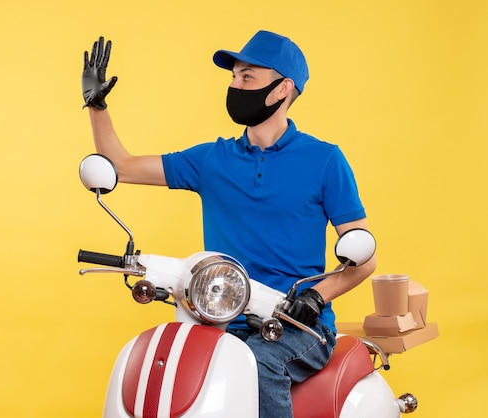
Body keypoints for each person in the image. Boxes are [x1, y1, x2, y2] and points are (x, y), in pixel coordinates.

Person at [81, 30, 376, 418]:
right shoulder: (212, 160)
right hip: (219, 317)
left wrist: (316, 297)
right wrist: (97, 106)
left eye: (247, 77)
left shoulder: (324, 160)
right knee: (166, 362)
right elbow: (122, 166)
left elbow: (363, 258)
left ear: (282, 89)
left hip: (295, 324)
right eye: (233, 77)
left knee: (259, 365)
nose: (235, 85)